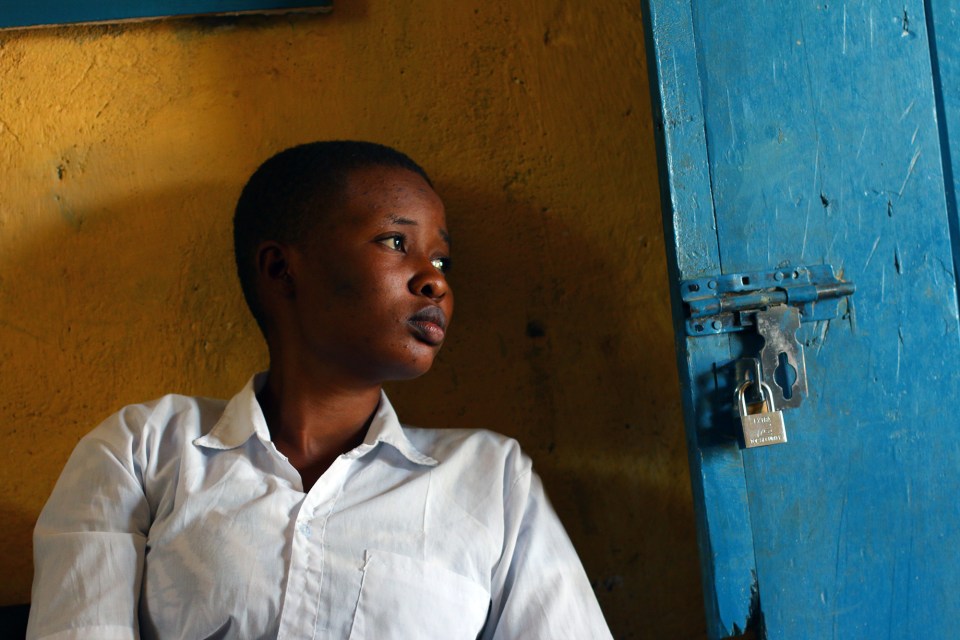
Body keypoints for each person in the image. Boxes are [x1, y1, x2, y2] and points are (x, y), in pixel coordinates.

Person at [27, 141, 614, 639]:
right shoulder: (144, 451)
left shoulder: (490, 479)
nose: (434, 279)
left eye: (442, 258)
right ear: (282, 269)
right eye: (394, 242)